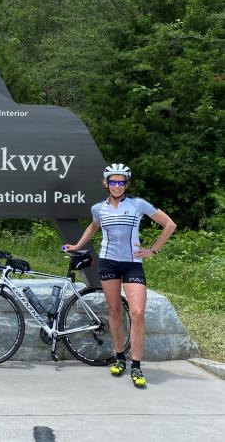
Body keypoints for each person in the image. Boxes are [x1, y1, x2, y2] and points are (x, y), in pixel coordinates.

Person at [62, 163, 176, 388]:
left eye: (121, 181)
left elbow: (169, 224)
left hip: (133, 264)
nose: (116, 185)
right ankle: (119, 358)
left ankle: (136, 365)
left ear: (127, 184)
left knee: (137, 313)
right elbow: (93, 228)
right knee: (114, 311)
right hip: (108, 263)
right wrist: (76, 245)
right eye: (112, 181)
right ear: (106, 184)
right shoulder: (98, 209)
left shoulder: (138, 204)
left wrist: (153, 250)